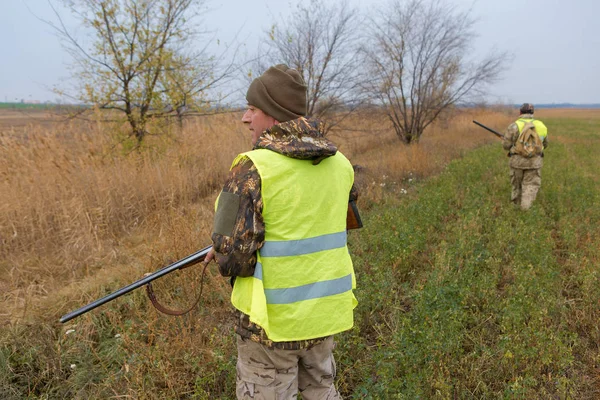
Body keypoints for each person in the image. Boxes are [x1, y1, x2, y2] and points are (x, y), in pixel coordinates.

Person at [204, 64, 358, 399]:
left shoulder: (251, 168)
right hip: (323, 316)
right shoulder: (341, 164)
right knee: (322, 390)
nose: (245, 118)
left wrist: (222, 247)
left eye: (252, 109)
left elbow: (233, 260)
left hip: (270, 325)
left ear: (272, 115)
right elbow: (334, 221)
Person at [502, 103, 548, 210]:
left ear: (520, 112)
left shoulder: (514, 126)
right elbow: (545, 144)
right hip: (534, 163)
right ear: (532, 113)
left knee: (516, 186)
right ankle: (525, 210)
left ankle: (515, 210)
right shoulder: (541, 125)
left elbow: (506, 146)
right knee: (530, 186)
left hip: (517, 162)